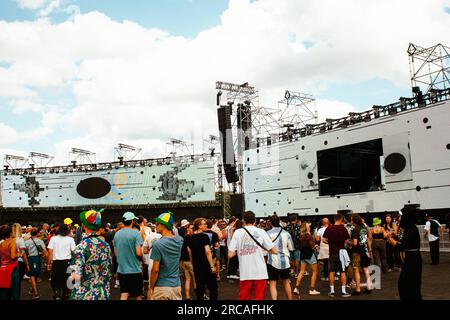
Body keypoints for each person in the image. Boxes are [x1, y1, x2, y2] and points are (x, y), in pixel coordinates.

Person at [228, 211, 277, 300]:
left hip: (245, 272)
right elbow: (275, 251)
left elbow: (230, 254)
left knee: (244, 298)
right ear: (255, 221)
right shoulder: (261, 231)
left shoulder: (237, 232)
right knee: (259, 298)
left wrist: (240, 249)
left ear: (243, 221)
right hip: (260, 272)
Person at [69, 209, 112, 300]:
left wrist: (69, 279)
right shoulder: (106, 246)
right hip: (103, 294)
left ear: (83, 225)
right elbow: (108, 269)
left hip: (86, 295)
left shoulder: (81, 247)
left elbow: (77, 276)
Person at [148, 212, 184, 300]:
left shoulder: (158, 244)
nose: (155, 225)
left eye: (157, 223)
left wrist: (151, 287)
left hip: (162, 287)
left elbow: (155, 270)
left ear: (164, 225)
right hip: (176, 286)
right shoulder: (180, 240)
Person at [113, 211, 143, 300]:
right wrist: (141, 260)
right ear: (132, 221)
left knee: (124, 294)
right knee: (138, 295)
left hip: (122, 270)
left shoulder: (117, 234)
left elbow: (115, 252)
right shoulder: (136, 233)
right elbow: (138, 253)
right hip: (135, 270)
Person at [188, 218, 218, 300]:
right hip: (206, 265)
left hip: (197, 266)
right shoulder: (205, 236)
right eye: (204, 224)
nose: (206, 225)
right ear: (199, 226)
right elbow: (208, 252)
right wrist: (212, 266)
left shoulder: (191, 238)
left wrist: (193, 264)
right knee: (213, 287)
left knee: (200, 288)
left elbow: (190, 253)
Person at [322, 213, 351, 298]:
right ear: (341, 219)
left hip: (332, 252)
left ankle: (332, 291)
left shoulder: (329, 228)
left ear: (334, 219)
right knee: (342, 271)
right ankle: (343, 291)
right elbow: (346, 241)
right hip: (341, 252)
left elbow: (323, 240)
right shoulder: (343, 229)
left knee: (331, 271)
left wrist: (330, 243)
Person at [397, 206, 422, 300]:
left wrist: (392, 241)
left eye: (402, 216)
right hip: (410, 257)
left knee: (409, 284)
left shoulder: (412, 229)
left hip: (413, 258)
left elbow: (402, 245)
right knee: (407, 283)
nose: (400, 218)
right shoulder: (408, 228)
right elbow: (400, 239)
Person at [266, 214, 294, 300]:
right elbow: (291, 248)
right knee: (286, 282)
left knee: (272, 283)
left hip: (272, 261)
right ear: (279, 222)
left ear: (270, 223)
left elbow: (265, 249)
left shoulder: (267, 234)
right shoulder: (286, 233)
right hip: (285, 261)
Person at [47, 223, 76, 300]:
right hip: (67, 262)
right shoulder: (71, 239)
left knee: (55, 278)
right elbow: (74, 251)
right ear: (67, 231)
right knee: (66, 278)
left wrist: (49, 263)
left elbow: (50, 251)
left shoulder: (53, 238)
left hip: (56, 262)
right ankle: (65, 293)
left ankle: (57, 292)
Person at [294, 221, 320, 298]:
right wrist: (316, 246)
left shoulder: (301, 236)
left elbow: (300, 246)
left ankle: (296, 288)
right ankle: (312, 289)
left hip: (303, 255)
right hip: (310, 255)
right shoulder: (309, 235)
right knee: (315, 272)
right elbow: (312, 246)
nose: (309, 225)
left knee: (301, 271)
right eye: (308, 225)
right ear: (307, 227)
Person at [350, 214, 372, 295]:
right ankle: (369, 288)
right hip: (365, 251)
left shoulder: (355, 230)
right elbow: (369, 239)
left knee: (356, 270)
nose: (350, 221)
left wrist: (349, 242)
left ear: (354, 221)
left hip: (357, 252)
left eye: (351, 219)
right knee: (366, 269)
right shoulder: (364, 228)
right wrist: (370, 251)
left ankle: (358, 289)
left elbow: (355, 243)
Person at [25, 228, 48, 300]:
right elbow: (45, 251)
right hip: (37, 258)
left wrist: (26, 262)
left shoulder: (26, 242)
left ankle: (34, 290)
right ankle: (35, 292)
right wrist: (48, 260)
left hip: (30, 258)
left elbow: (25, 252)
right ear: (37, 233)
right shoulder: (40, 241)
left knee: (32, 274)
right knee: (35, 274)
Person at [0, 225, 20, 300]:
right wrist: (18, 255)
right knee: (15, 289)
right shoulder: (12, 242)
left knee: (4, 289)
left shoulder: (2, 243)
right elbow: (12, 256)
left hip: (3, 268)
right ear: (11, 233)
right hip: (12, 267)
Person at [11, 223, 29, 295]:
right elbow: (23, 253)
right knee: (17, 282)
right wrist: (27, 264)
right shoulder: (20, 239)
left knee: (11, 282)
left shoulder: (9, 239)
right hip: (19, 262)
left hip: (10, 261)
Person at [180, 222, 195, 300]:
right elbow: (189, 250)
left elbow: (182, 251)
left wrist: (181, 264)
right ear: (188, 228)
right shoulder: (190, 237)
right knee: (195, 279)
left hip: (185, 262)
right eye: (192, 228)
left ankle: (187, 297)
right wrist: (193, 261)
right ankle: (199, 295)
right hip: (190, 262)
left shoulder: (185, 237)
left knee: (188, 280)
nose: (193, 230)